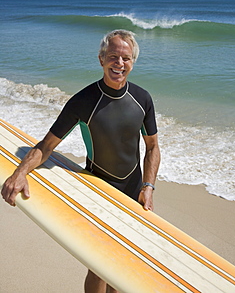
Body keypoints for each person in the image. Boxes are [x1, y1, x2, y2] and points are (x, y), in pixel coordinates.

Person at [1, 29, 160, 293]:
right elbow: (46, 146)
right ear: (101, 59)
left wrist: (148, 187)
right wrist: (20, 173)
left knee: (122, 265)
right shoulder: (83, 101)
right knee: (99, 264)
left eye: (126, 58)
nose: (119, 64)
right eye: (113, 56)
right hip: (98, 190)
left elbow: (152, 147)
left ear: (132, 62)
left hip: (134, 192)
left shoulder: (142, 99)